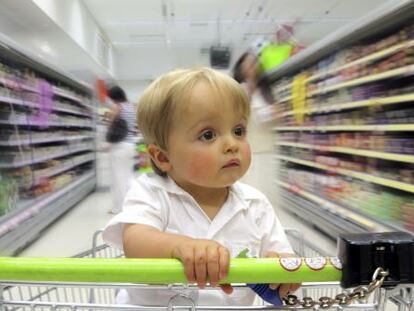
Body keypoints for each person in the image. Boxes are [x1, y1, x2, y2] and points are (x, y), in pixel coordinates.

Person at [102, 67, 299, 306]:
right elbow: (135, 242)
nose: (231, 144)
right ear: (163, 157)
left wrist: (283, 271)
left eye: (238, 131)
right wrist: (181, 247)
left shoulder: (255, 204)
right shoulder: (151, 192)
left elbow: (282, 256)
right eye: (208, 135)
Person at [106, 85, 137, 214]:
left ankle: (119, 207)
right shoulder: (131, 107)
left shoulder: (117, 107)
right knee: (128, 176)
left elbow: (110, 123)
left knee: (118, 177)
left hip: (119, 146)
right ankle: (132, 204)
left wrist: (109, 116)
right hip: (131, 145)